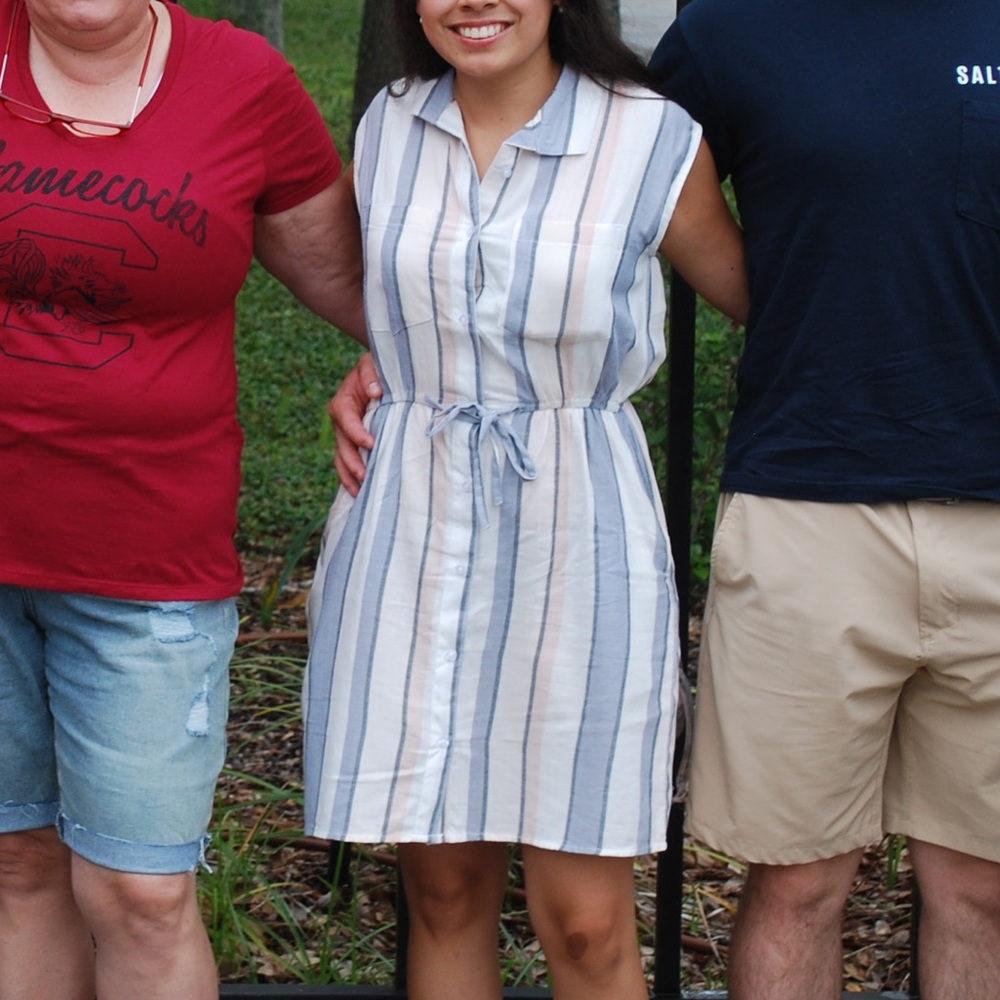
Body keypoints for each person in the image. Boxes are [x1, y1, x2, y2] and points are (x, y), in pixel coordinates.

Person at [302, 0, 746, 997]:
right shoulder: (389, 125)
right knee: (446, 894)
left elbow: (761, 296)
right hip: (410, 522)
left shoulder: (646, 135)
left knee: (584, 920)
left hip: (578, 530)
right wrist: (375, 368)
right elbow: (384, 290)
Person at [0, 0, 364, 997]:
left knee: (141, 891)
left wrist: (393, 358)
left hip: (145, 565)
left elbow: (357, 281)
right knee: (15, 864)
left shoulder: (242, 84)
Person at [643, 2, 1000, 998]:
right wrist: (769, 292)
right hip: (809, 510)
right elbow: (634, 166)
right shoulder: (730, 30)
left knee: (981, 889)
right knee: (799, 881)